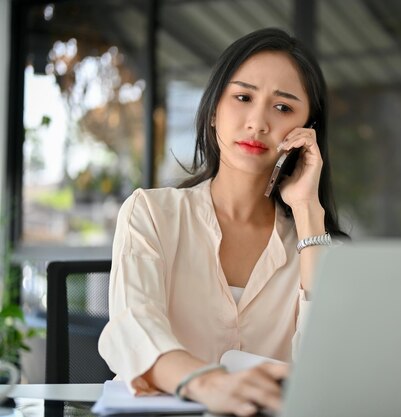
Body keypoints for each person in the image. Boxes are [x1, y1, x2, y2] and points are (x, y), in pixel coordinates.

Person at [98, 27, 347, 417]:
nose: (258, 123)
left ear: (307, 131)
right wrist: (209, 384)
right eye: (243, 97)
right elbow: (134, 329)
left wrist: (308, 212)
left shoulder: (317, 245)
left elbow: (329, 367)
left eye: (283, 108)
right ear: (214, 110)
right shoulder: (151, 213)